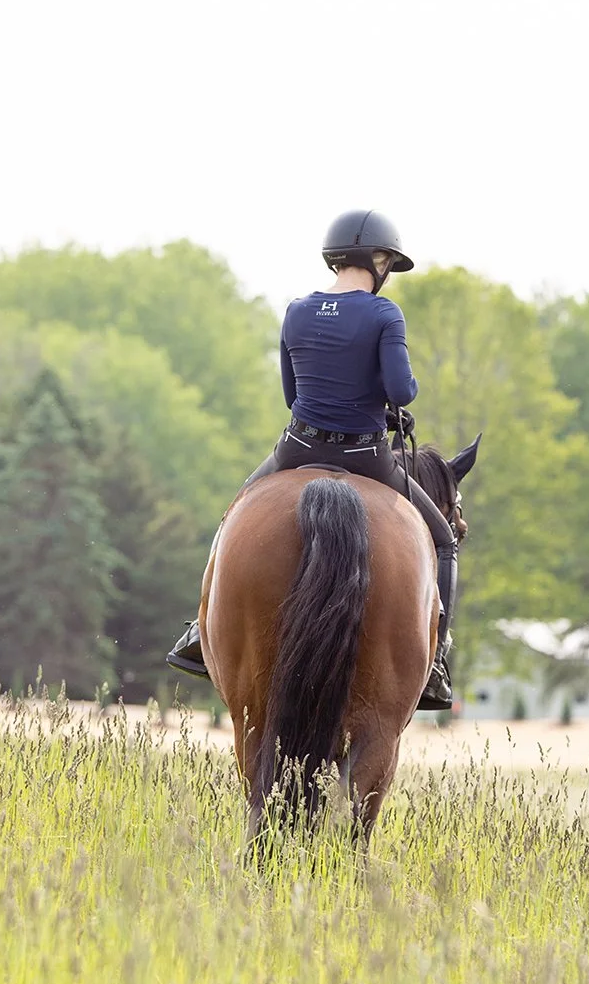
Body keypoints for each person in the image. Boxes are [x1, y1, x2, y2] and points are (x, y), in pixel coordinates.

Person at [166, 208, 459, 711]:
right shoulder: (385, 315)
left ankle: (199, 630)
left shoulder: (296, 310)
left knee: (235, 514)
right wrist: (390, 406)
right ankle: (435, 660)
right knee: (444, 541)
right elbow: (401, 390)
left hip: (297, 446)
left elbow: (290, 392)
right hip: (367, 456)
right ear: (380, 260)